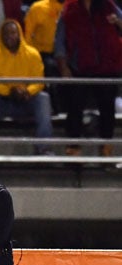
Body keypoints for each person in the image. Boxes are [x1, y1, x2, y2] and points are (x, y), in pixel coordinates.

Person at [54, 0, 122, 156]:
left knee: (107, 110)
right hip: (79, 66)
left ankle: (106, 149)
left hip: (106, 66)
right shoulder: (69, 9)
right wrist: (64, 68)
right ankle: (73, 148)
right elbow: (59, 40)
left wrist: (117, 22)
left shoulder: (109, 6)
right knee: (74, 108)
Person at [0, 19, 53, 156]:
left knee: (43, 98)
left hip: (26, 100)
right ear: (0, 35)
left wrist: (27, 91)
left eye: (13, 33)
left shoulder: (32, 54)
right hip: (1, 102)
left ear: (19, 34)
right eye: (6, 33)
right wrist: (10, 91)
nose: (9, 36)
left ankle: (44, 148)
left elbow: (39, 81)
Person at [23, 0, 65, 113]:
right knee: (49, 67)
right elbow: (27, 35)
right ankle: (52, 107)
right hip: (41, 54)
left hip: (67, 54)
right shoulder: (38, 8)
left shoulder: (73, 7)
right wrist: (30, 56)